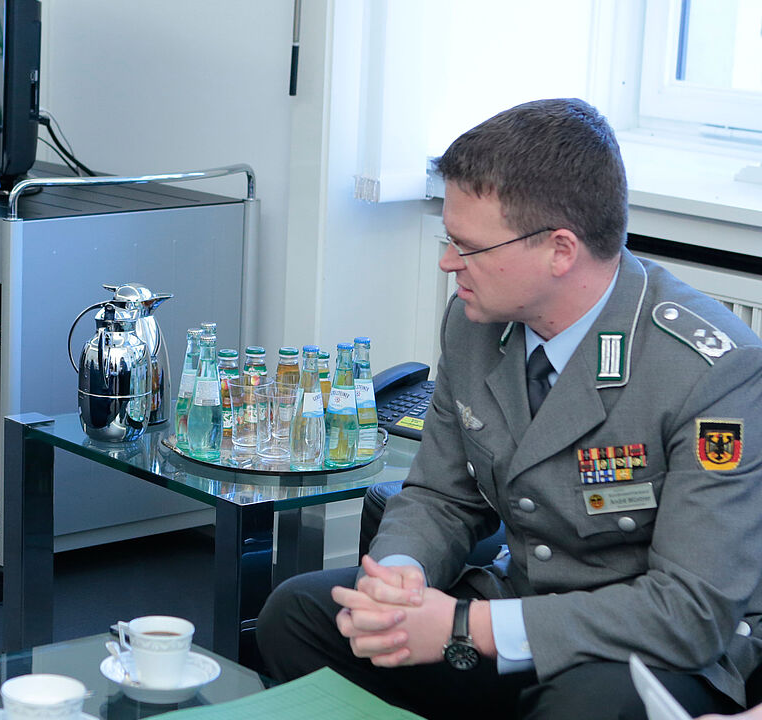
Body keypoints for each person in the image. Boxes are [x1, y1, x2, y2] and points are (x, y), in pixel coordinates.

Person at [257, 98, 762, 719]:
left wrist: (470, 626)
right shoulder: (475, 324)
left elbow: (692, 612)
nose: (447, 262)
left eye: (466, 246)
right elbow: (441, 496)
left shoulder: (711, 368)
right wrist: (399, 579)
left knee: (587, 707)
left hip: (647, 651)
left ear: (559, 250)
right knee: (297, 617)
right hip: (508, 606)